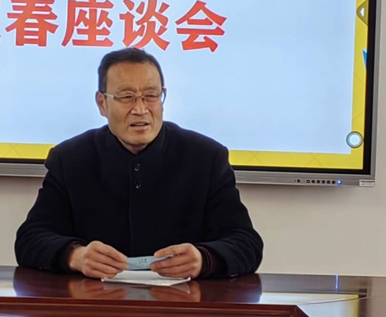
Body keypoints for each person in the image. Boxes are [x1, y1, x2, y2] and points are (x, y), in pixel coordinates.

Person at [15, 48, 263, 279]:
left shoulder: (206, 158)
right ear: (102, 103)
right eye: (127, 97)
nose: (141, 109)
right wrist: (75, 256)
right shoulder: (70, 159)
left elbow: (246, 243)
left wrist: (204, 259)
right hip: (96, 301)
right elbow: (30, 239)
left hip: (182, 302)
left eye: (151, 96)